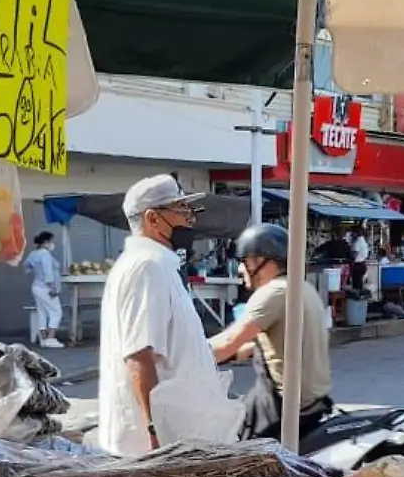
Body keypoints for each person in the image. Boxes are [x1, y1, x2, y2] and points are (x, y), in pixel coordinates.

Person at [96, 175, 222, 457]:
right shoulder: (146, 268)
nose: (190, 221)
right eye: (181, 211)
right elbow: (139, 356)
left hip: (177, 436)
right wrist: (155, 431)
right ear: (153, 219)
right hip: (155, 446)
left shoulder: (159, 265)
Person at [209, 223, 334, 441]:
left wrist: (182, 355)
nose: (240, 269)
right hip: (312, 402)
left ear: (263, 261)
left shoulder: (273, 293)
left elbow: (227, 342)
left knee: (228, 446)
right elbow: (268, 345)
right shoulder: (302, 288)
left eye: (244, 261)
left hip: (285, 406)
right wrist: (239, 353)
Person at [24, 231, 65, 349]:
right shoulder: (45, 254)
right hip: (46, 287)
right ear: (46, 242)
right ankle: (51, 338)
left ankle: (43, 338)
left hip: (36, 286)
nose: (53, 244)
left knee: (42, 312)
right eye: (51, 241)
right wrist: (53, 287)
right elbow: (48, 272)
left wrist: (35, 271)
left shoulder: (34, 254)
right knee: (56, 312)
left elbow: (26, 267)